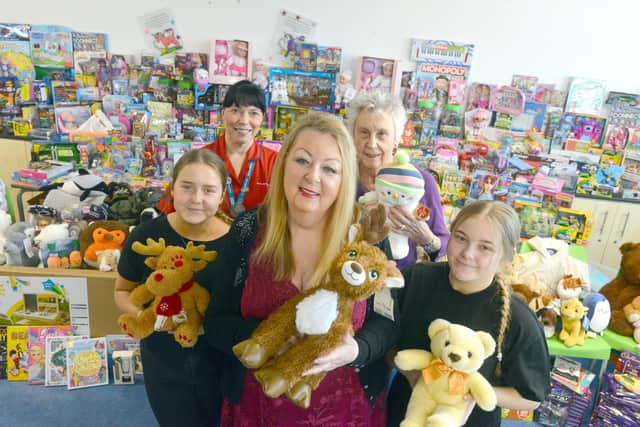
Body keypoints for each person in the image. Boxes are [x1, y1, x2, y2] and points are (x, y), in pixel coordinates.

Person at [204, 113, 398, 426]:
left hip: (346, 411)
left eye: (330, 169)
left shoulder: (366, 232)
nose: (313, 177)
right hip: (257, 408)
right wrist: (269, 338)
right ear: (283, 164)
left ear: (344, 178)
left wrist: (356, 351)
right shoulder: (247, 229)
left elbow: (388, 322)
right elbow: (215, 324)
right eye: (303, 161)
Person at [387, 200, 551, 427]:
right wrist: (410, 373)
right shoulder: (416, 278)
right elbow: (387, 343)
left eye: (485, 247)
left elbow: (531, 396)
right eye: (461, 238)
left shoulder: (519, 318)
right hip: (405, 413)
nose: (467, 253)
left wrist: (470, 392)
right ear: (449, 235)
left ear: (506, 257)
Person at [115, 149, 234, 427]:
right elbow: (121, 291)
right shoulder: (146, 236)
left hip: (221, 360)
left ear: (222, 195)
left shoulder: (238, 242)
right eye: (187, 187)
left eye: (208, 190)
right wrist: (151, 319)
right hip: (164, 359)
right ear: (171, 189)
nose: (196, 199)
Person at [346, 92, 449, 270]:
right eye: (364, 133)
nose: (371, 143)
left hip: (402, 285)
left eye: (382, 134)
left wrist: (427, 239)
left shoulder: (421, 182)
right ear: (353, 137)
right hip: (349, 280)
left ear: (396, 139)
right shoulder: (341, 179)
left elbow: (443, 244)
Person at [158, 80, 278, 218]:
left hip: (259, 240)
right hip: (204, 238)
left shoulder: (276, 163)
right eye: (235, 111)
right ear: (222, 114)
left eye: (254, 113)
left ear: (262, 119)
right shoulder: (196, 160)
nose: (244, 120)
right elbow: (167, 213)